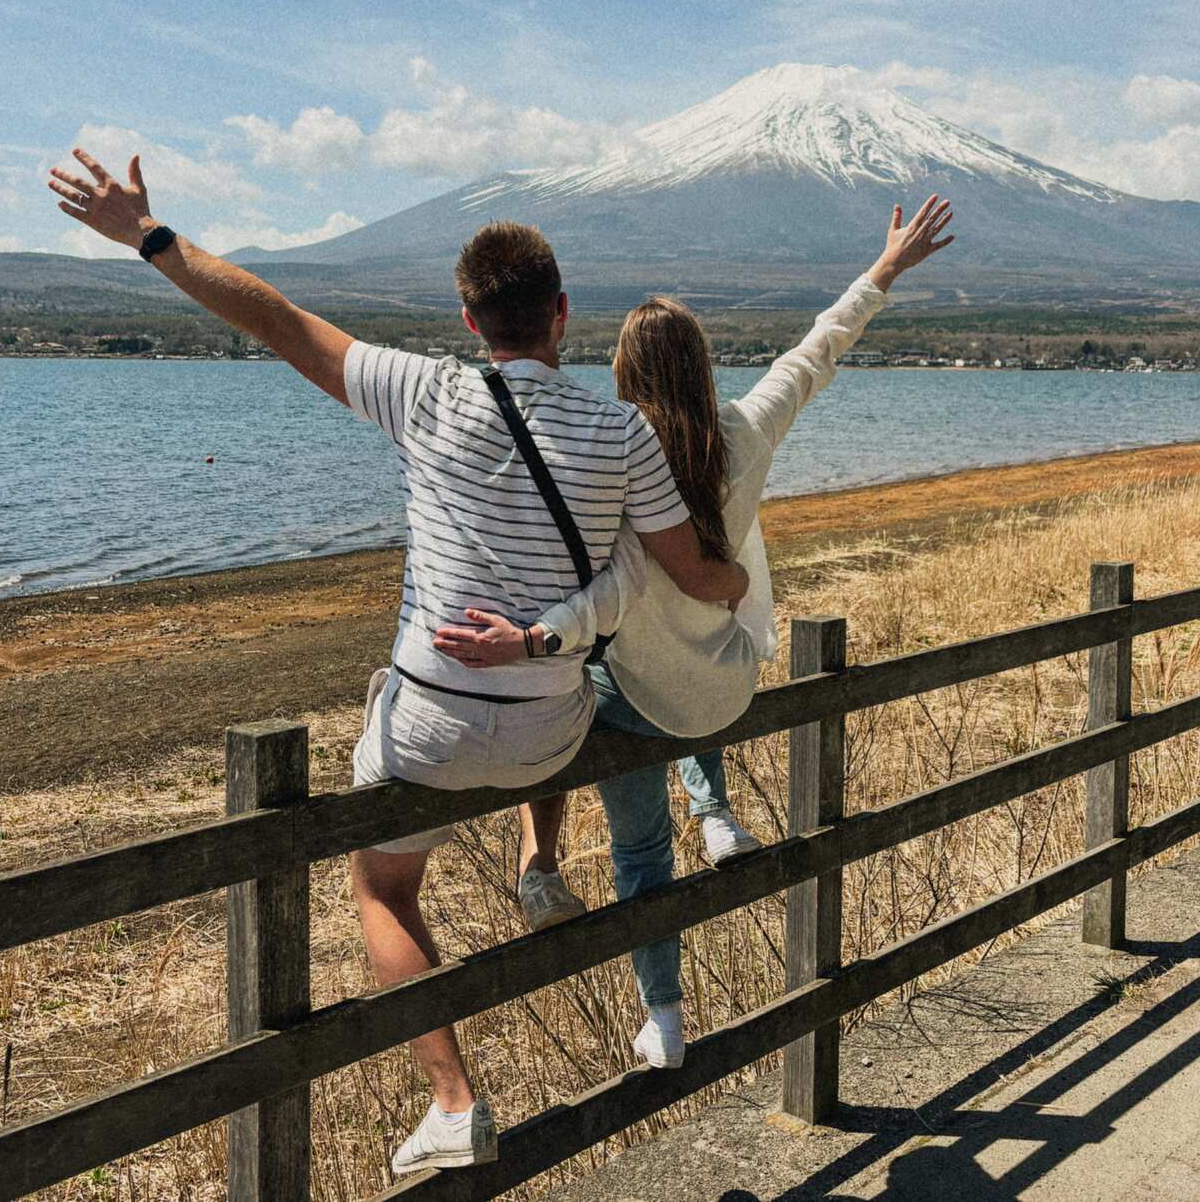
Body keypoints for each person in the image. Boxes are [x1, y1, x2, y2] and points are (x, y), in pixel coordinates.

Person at [46, 150, 748, 1173]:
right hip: (551, 727)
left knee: (381, 886)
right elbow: (685, 570)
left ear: (471, 323)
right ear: (561, 319)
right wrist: (741, 593)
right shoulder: (624, 431)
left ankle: (455, 1102)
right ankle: (539, 864)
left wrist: (150, 237)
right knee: (556, 726)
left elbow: (277, 321)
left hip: (430, 728)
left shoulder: (424, 393)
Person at [433, 194, 954, 1071]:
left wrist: (527, 641)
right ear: (703, 365)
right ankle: (714, 812)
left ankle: (659, 1011)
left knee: (635, 834)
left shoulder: (614, 451)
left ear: (624, 371)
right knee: (696, 639)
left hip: (639, 703)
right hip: (727, 686)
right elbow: (816, 351)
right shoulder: (744, 431)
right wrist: (885, 270)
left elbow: (601, 591)